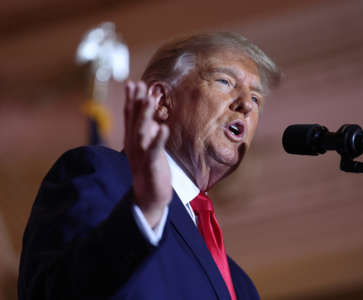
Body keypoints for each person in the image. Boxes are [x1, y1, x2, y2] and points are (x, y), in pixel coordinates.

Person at [18, 32, 280, 300]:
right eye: (225, 82)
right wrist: (144, 213)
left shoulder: (242, 287)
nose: (246, 105)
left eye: (256, 99)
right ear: (162, 100)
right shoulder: (102, 174)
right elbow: (55, 291)